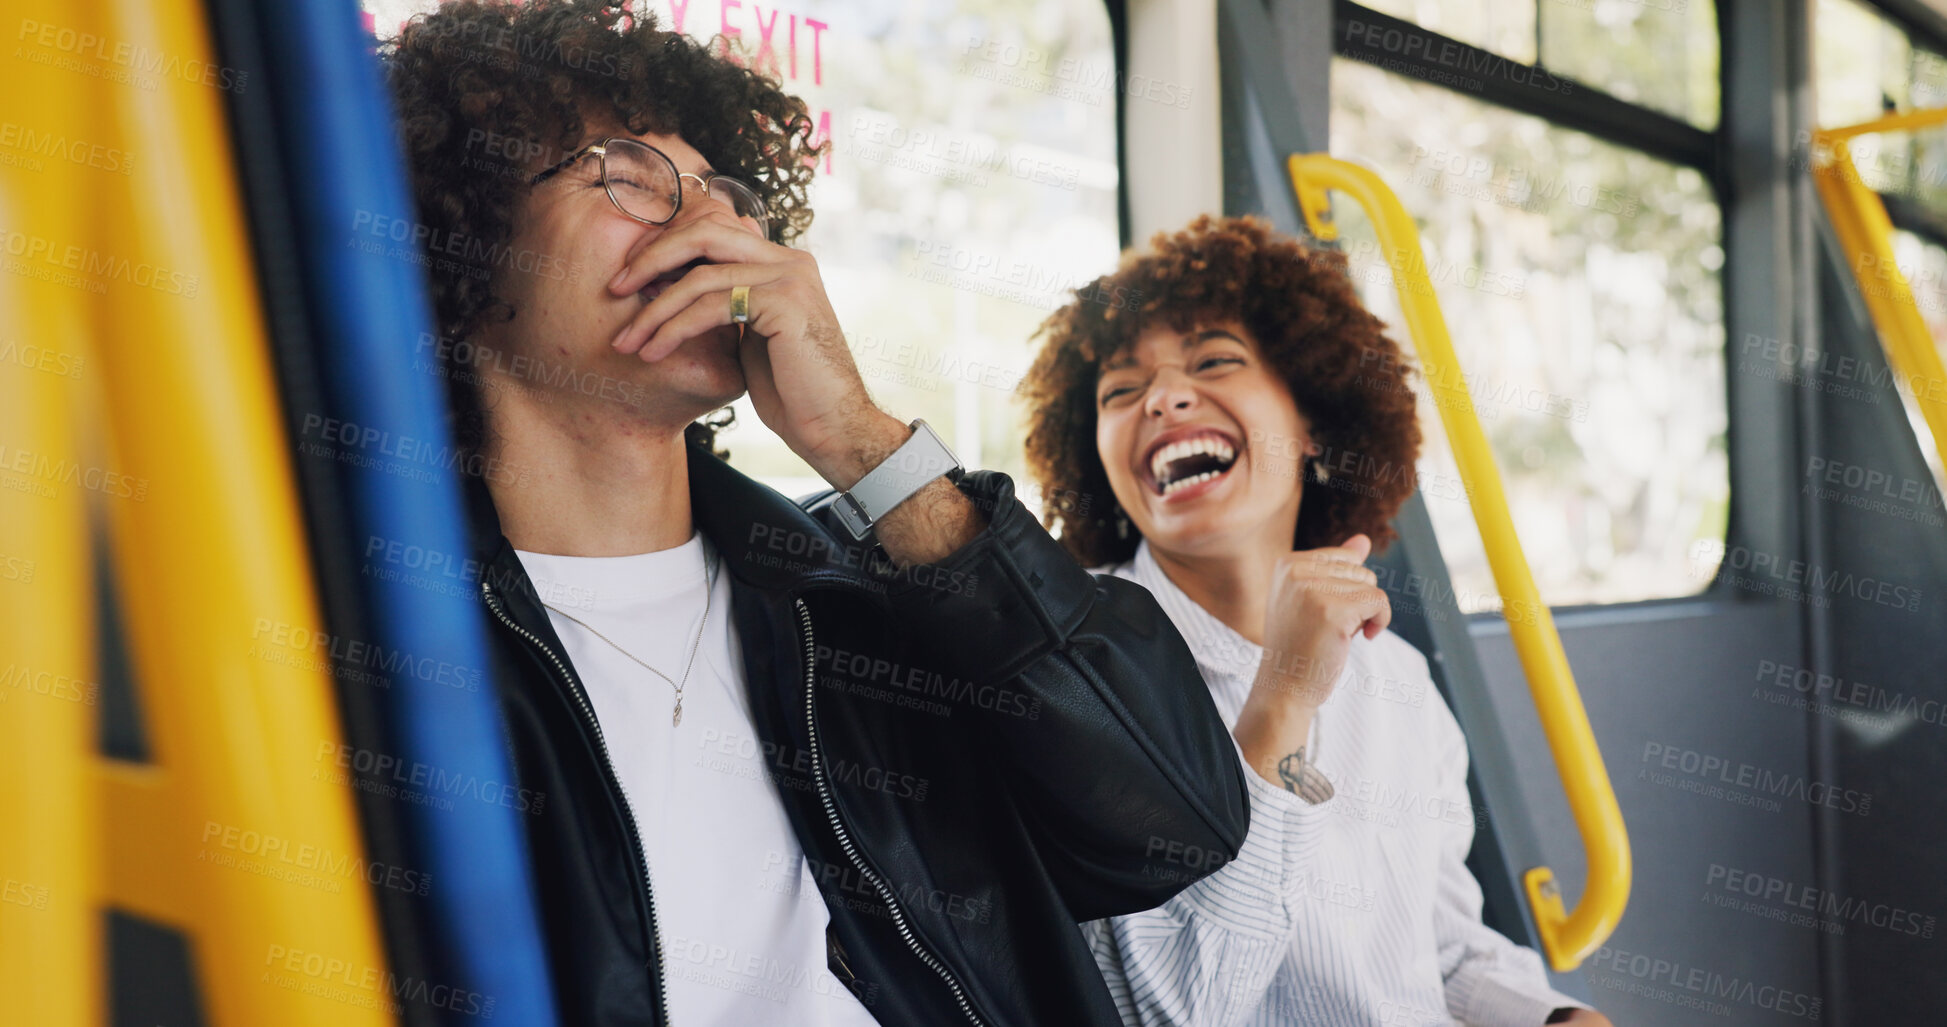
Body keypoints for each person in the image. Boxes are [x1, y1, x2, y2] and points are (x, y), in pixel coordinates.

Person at [381, 4, 1250, 1025]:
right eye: (629, 176)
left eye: (726, 196)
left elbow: (1174, 825)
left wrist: (863, 444)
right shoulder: (389, 640)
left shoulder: (861, 596)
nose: (714, 229)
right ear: (462, 243)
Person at [1018, 215, 1613, 1026]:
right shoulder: (1071, 670)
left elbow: (1439, 952)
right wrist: (1285, 698)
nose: (1161, 396)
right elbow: (1171, 1011)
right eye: (1120, 390)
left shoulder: (1396, 674)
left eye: (1214, 360)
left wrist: (1554, 1017)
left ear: (1312, 425)